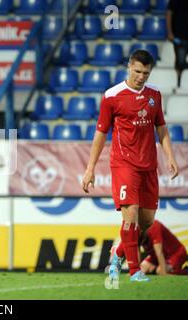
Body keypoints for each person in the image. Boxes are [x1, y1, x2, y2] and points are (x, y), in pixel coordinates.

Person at [82, 50, 179, 282]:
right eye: (137, 71)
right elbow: (101, 132)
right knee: (130, 215)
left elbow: (161, 128)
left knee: (146, 224)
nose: (141, 76)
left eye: (145, 72)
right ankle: (135, 271)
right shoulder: (112, 96)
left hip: (149, 166)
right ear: (129, 67)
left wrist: (170, 156)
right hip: (124, 164)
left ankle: (117, 254)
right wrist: (90, 168)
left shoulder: (154, 95)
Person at [110, 220, 187, 276]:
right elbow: (136, 254)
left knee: (160, 271)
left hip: (175, 253)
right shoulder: (136, 232)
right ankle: (159, 268)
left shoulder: (154, 226)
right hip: (155, 257)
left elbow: (159, 252)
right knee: (143, 269)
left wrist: (163, 273)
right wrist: (134, 271)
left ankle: (185, 271)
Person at [166, 0, 188, 87]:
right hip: (179, 37)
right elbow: (168, 14)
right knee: (180, 62)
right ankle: (179, 84)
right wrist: (170, 32)